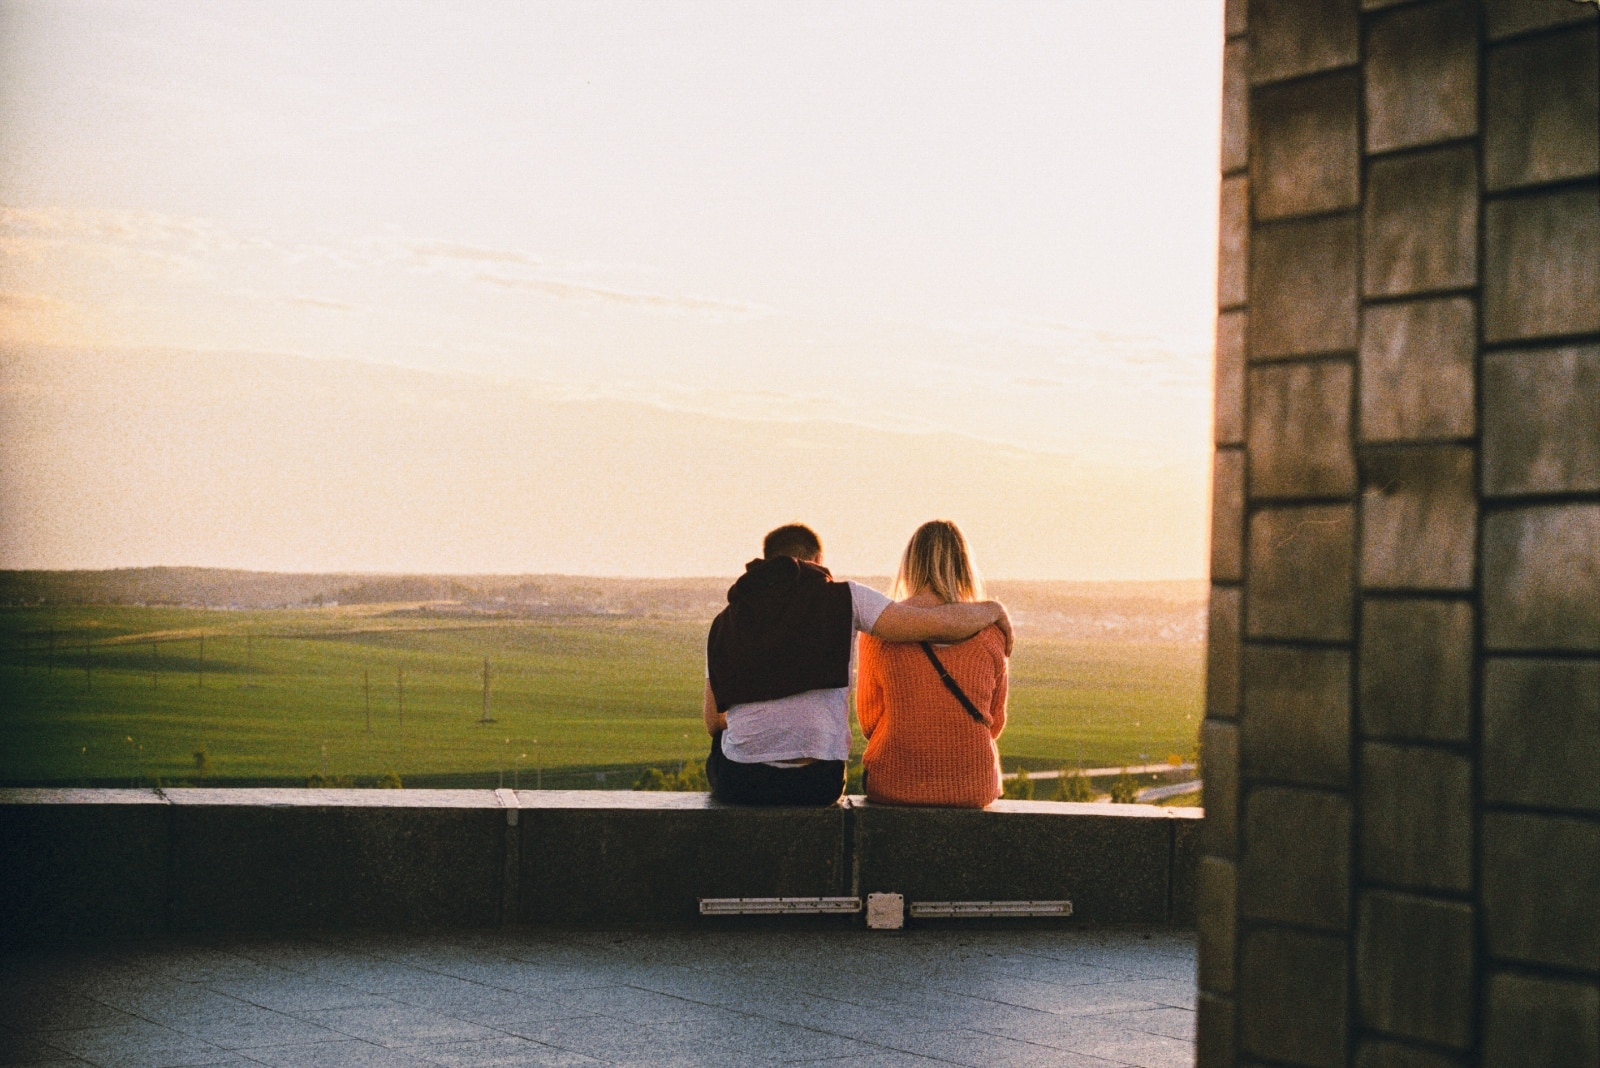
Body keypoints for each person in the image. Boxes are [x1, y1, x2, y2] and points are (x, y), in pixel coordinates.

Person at [704, 523, 1012, 806]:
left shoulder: (724, 623)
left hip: (741, 783)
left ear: (767, 561)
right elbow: (932, 624)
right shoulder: (847, 598)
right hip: (818, 785)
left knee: (724, 740)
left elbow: (712, 721)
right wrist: (993, 609)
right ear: (818, 558)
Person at [855, 520, 1008, 808]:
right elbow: (994, 722)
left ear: (910, 564)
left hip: (895, 782)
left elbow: (870, 721)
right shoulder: (991, 633)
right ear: (964, 566)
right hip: (974, 786)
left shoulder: (882, 632)